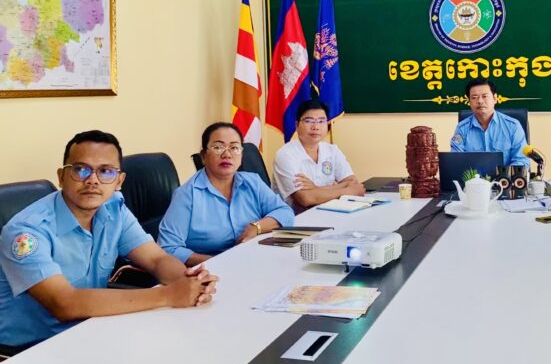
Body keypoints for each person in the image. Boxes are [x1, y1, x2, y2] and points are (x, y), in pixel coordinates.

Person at [0, 130, 218, 349]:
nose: (92, 180)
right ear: (62, 176)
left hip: (91, 328)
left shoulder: (114, 210)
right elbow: (64, 303)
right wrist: (168, 295)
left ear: (119, 181)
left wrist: (189, 282)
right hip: (29, 348)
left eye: (105, 171)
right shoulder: (26, 232)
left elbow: (156, 259)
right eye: (81, 169)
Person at [158, 122, 294, 266]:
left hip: (254, 261)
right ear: (204, 156)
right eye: (218, 147)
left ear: (241, 155)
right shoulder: (187, 195)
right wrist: (219, 262)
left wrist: (256, 227)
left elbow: (285, 212)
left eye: (234, 148)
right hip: (210, 271)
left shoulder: (252, 182)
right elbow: (168, 248)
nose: (227, 155)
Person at [273, 99, 364, 211]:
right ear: (297, 125)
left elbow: (352, 182)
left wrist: (315, 189)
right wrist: (347, 191)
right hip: (297, 218)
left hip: (331, 212)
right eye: (309, 121)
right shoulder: (286, 155)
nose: (316, 127)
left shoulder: (332, 150)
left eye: (321, 121)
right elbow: (306, 199)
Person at [451, 79, 528, 166]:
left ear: (495, 98)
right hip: (472, 175)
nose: (480, 101)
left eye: (484, 96)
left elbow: (521, 161)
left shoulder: (513, 126)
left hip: (505, 175)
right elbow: (456, 161)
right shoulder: (462, 128)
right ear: (469, 102)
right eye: (474, 97)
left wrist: (505, 174)